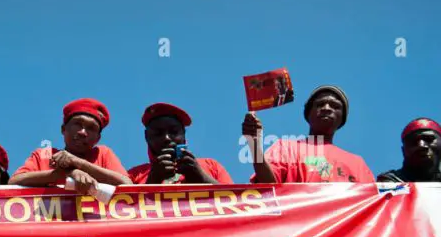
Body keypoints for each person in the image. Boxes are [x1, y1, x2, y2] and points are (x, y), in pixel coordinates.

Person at [245, 85, 374, 183]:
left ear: (342, 119)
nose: (327, 108)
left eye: (335, 106)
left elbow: (373, 206)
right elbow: (268, 185)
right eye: (320, 104)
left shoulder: (358, 165)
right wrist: (254, 145)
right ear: (308, 114)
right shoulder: (286, 148)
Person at [10, 98, 131, 191]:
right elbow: (14, 182)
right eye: (77, 124)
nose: (83, 132)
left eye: (91, 128)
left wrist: (79, 163)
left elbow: (127, 185)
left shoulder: (103, 154)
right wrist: (65, 173)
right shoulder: (44, 155)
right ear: (63, 129)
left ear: (98, 138)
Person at [128, 103, 232, 184]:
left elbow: (236, 202)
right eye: (158, 133)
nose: (167, 138)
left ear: (184, 133)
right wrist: (153, 180)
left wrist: (200, 176)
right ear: (146, 136)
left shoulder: (212, 166)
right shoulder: (133, 176)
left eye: (173, 132)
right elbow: (125, 210)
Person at [377, 118, 441, 183]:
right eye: (413, 142)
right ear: (403, 151)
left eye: (428, 139)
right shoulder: (391, 182)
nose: (421, 145)